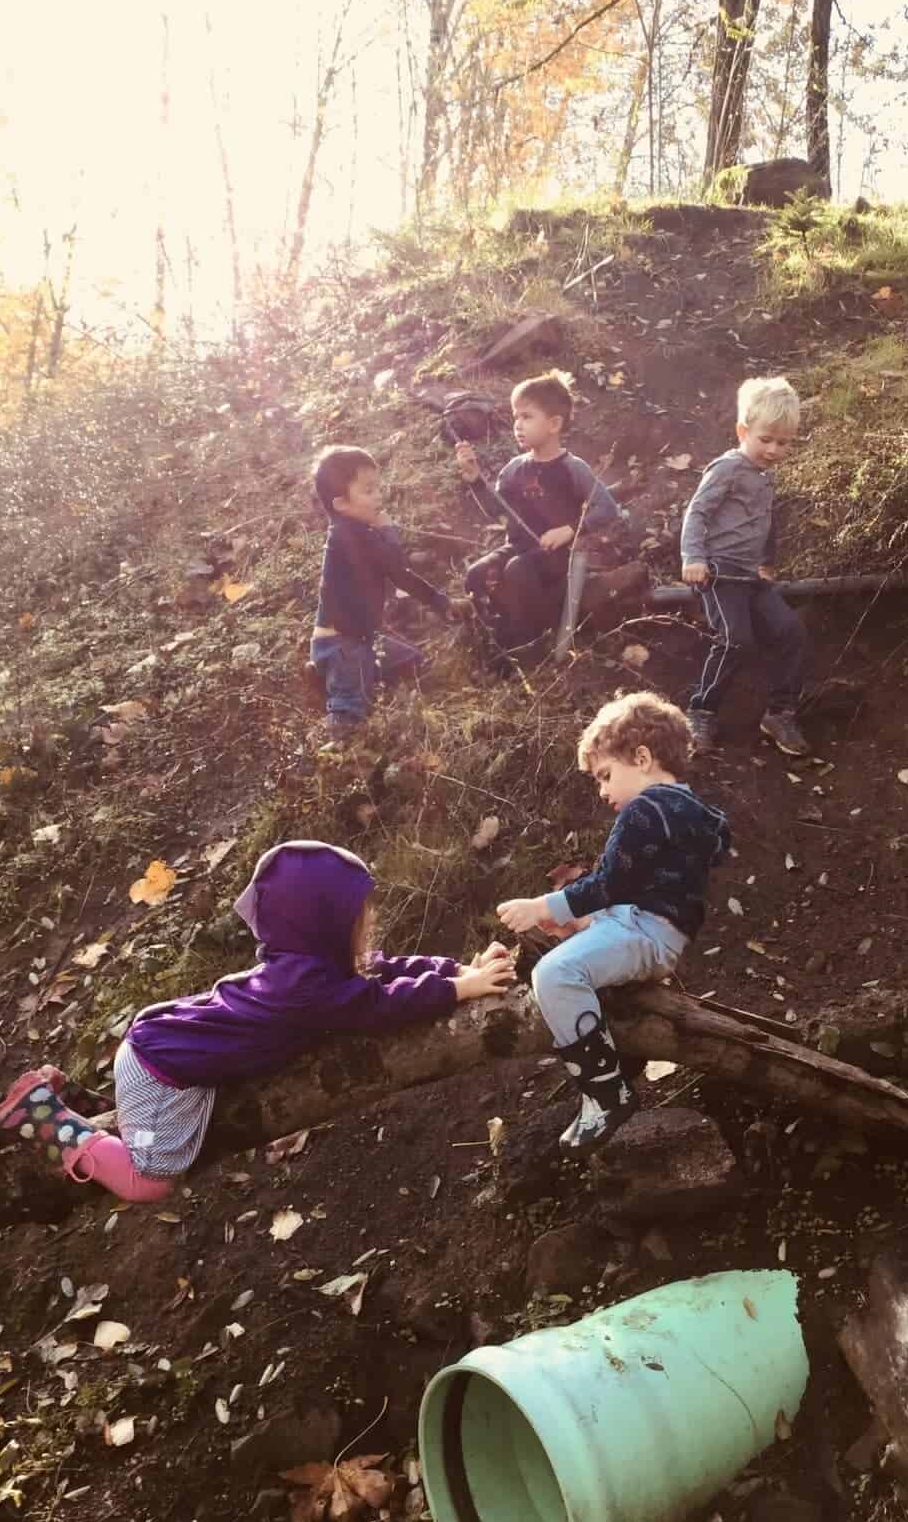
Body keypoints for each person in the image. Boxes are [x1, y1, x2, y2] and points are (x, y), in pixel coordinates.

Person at [0, 842, 515, 1200]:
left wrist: (458, 970)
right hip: (160, 1070)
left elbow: (381, 971)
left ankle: (78, 1105)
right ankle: (47, 1118)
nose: (367, 926)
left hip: (168, 1048)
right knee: (148, 1182)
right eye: (357, 916)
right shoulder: (306, 986)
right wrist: (457, 989)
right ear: (320, 921)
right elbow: (376, 1007)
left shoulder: (308, 964)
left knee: (157, 1155)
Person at [497, 692, 730, 1152]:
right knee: (574, 945)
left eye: (605, 775)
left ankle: (606, 1094)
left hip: (645, 933)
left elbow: (610, 883)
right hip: (648, 925)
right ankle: (616, 1055)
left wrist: (544, 906)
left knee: (554, 973)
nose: (602, 792)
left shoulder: (647, 810)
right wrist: (585, 922)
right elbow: (636, 889)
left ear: (641, 758)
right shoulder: (682, 811)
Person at [680, 376, 810, 758]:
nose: (773, 450)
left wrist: (767, 562)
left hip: (751, 576)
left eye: (783, 443)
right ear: (743, 431)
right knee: (736, 639)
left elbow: (764, 522)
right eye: (765, 439)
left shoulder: (764, 477)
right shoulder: (727, 468)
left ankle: (780, 712)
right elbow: (697, 512)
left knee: (791, 631)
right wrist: (694, 558)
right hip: (719, 573)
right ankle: (701, 711)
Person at [455, 369, 618, 656]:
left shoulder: (573, 468)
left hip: (558, 555)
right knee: (476, 573)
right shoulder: (514, 469)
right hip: (519, 546)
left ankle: (532, 644)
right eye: (516, 416)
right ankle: (489, 636)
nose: (518, 424)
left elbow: (606, 507)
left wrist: (568, 529)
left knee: (518, 570)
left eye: (527, 416)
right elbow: (496, 510)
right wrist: (474, 478)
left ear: (554, 423)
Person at [308, 445, 464, 740]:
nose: (378, 496)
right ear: (340, 503)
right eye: (369, 491)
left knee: (412, 663)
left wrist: (439, 601)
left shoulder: (356, 532)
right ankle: (335, 707)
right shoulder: (347, 536)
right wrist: (388, 532)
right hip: (344, 644)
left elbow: (398, 573)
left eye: (377, 488)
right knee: (350, 716)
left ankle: (328, 675)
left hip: (364, 640)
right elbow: (398, 570)